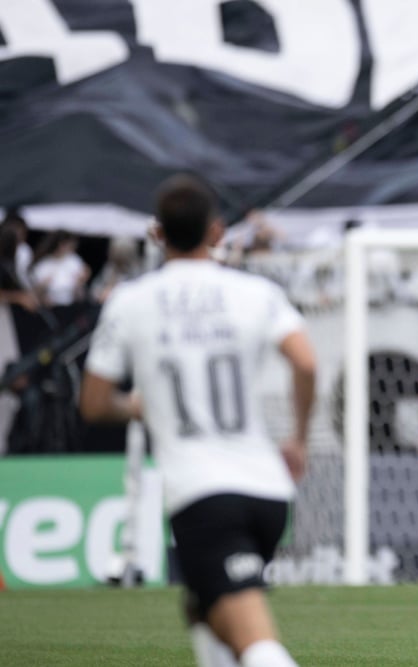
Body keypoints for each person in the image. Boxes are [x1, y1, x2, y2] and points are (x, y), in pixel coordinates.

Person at [79, 174, 316, 667]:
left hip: (203, 491)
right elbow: (306, 362)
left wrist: (136, 407)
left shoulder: (130, 301)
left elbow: (95, 403)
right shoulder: (255, 291)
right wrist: (297, 438)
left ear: (156, 234)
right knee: (202, 608)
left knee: (254, 639)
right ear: (217, 230)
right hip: (268, 490)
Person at [30, 230, 90, 306]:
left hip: (72, 306)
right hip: (51, 307)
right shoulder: (43, 265)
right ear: (59, 245)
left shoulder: (74, 261)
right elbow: (34, 294)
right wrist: (42, 289)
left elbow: (81, 293)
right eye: (66, 245)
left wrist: (80, 282)